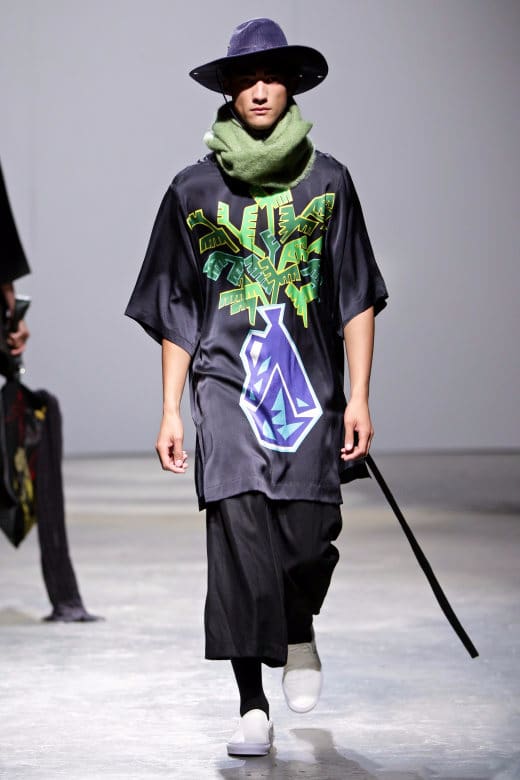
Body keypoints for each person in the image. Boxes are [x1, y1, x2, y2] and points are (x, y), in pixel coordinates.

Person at [126, 18, 388, 757]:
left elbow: (356, 294)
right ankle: (250, 706)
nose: (261, 89)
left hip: (311, 389)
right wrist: (170, 408)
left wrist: (360, 395)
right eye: (247, 78)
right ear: (230, 90)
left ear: (293, 86)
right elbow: (177, 306)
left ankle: (299, 625)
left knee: (307, 538)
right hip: (226, 385)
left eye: (272, 77)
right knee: (238, 538)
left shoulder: (329, 181)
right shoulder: (192, 189)